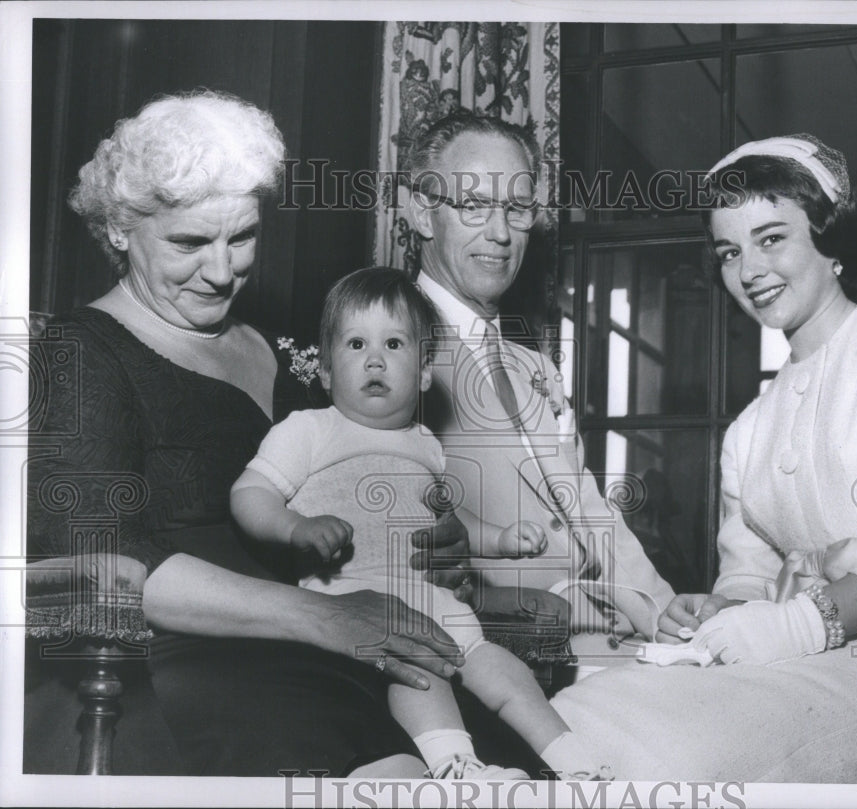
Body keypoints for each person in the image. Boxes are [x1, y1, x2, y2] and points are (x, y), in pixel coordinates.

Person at [26, 89, 467, 777]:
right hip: (172, 669)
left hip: (326, 645)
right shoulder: (80, 353)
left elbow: (342, 485)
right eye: (190, 241)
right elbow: (97, 556)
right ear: (119, 230)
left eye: (243, 235)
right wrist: (319, 616)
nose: (224, 268)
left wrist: (433, 539)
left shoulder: (283, 351)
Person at [550, 135, 857, 781]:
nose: (748, 269)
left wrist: (805, 624)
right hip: (801, 657)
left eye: (771, 238)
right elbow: (748, 579)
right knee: (586, 708)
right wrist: (719, 611)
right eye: (729, 251)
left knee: (672, 749)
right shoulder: (749, 429)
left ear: (830, 240)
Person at [230, 266, 611, 780]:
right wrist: (294, 526)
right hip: (357, 602)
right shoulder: (310, 430)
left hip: (435, 600)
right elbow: (250, 494)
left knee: (506, 672)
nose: (374, 359)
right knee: (421, 675)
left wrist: (499, 539)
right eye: (355, 344)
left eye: (393, 344)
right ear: (324, 372)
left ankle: (579, 767)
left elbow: (449, 520)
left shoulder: (427, 445)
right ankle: (458, 768)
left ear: (425, 370)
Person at [405, 111, 677, 664]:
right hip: (509, 656)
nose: (501, 234)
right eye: (473, 205)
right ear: (421, 212)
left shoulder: (537, 367)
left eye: (518, 208)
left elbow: (589, 512)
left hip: (608, 645)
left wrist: (667, 614)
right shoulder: (391, 353)